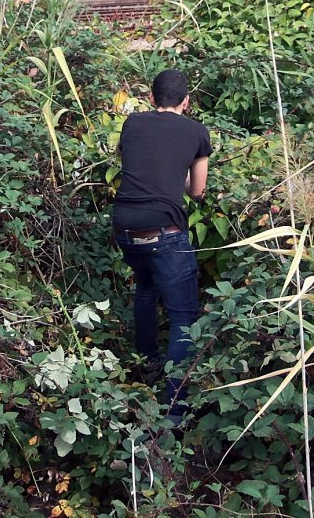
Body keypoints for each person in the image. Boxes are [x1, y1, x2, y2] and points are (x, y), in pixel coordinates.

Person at [112, 69, 211, 423]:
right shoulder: (197, 132)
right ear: (187, 101)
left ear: (152, 99)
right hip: (165, 230)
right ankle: (175, 409)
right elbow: (196, 191)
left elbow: (135, 162)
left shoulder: (133, 124)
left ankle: (147, 362)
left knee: (146, 289)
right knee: (184, 313)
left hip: (124, 225)